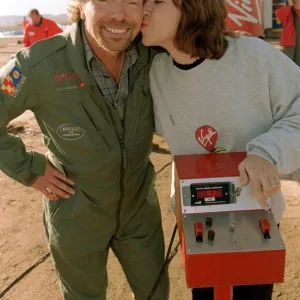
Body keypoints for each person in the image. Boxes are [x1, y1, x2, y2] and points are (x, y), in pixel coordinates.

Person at [0, 0, 168, 299]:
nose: (118, 14)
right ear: (81, 5)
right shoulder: (37, 64)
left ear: (144, 9)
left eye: (131, 1)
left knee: (155, 293)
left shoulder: (154, 53)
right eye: (105, 1)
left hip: (139, 210)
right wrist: (30, 170)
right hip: (76, 213)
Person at [142, 0, 300, 299]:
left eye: (157, 1)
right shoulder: (153, 74)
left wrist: (266, 151)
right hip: (196, 219)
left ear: (191, 7)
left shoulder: (253, 56)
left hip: (257, 215)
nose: (144, 10)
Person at [276, 0, 300, 66]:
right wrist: (289, 6)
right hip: (289, 43)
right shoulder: (288, 10)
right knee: (287, 65)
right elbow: (280, 16)